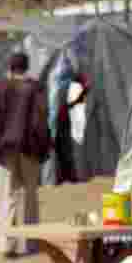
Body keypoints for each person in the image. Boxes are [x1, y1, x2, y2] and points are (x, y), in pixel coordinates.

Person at [0, 52, 51, 258]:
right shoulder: (36, 88)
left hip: (6, 149)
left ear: (9, 68)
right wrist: (43, 148)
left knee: (8, 195)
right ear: (26, 68)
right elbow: (41, 121)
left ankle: (7, 244)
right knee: (29, 195)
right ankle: (29, 244)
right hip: (30, 148)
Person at [47, 53, 90, 186]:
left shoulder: (62, 84)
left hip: (63, 122)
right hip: (64, 121)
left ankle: (66, 177)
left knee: (65, 151)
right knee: (65, 151)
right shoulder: (67, 84)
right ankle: (67, 177)